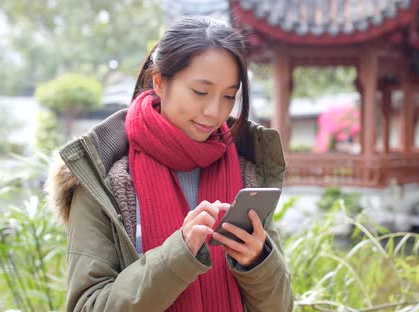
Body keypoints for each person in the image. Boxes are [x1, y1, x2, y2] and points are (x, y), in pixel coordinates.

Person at [45, 16, 293, 311]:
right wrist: (178, 256)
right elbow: (88, 306)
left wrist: (258, 262)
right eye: (200, 92)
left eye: (229, 96)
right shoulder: (104, 180)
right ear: (160, 82)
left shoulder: (246, 172)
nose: (215, 112)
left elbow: (281, 306)